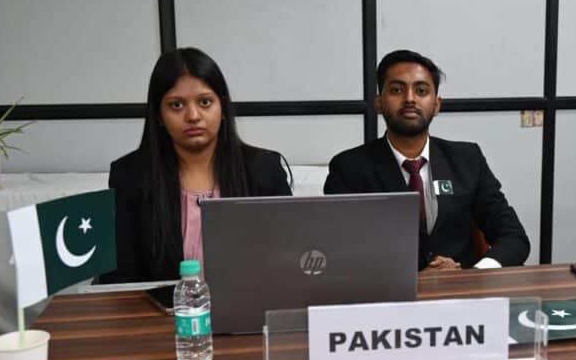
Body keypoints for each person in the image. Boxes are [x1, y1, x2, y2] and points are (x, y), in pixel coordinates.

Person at [324, 50, 529, 271]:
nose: (410, 99)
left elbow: (513, 237)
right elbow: (339, 250)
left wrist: (472, 274)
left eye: (421, 91)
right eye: (396, 90)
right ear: (379, 103)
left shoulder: (467, 160)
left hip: (460, 288)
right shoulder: (349, 168)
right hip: (387, 289)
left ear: (437, 105)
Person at [103, 47, 291, 283]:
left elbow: (289, 258)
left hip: (250, 304)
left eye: (205, 102)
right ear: (159, 116)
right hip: (159, 306)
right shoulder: (129, 176)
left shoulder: (264, 169)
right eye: (176, 105)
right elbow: (120, 278)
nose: (193, 116)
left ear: (222, 108)